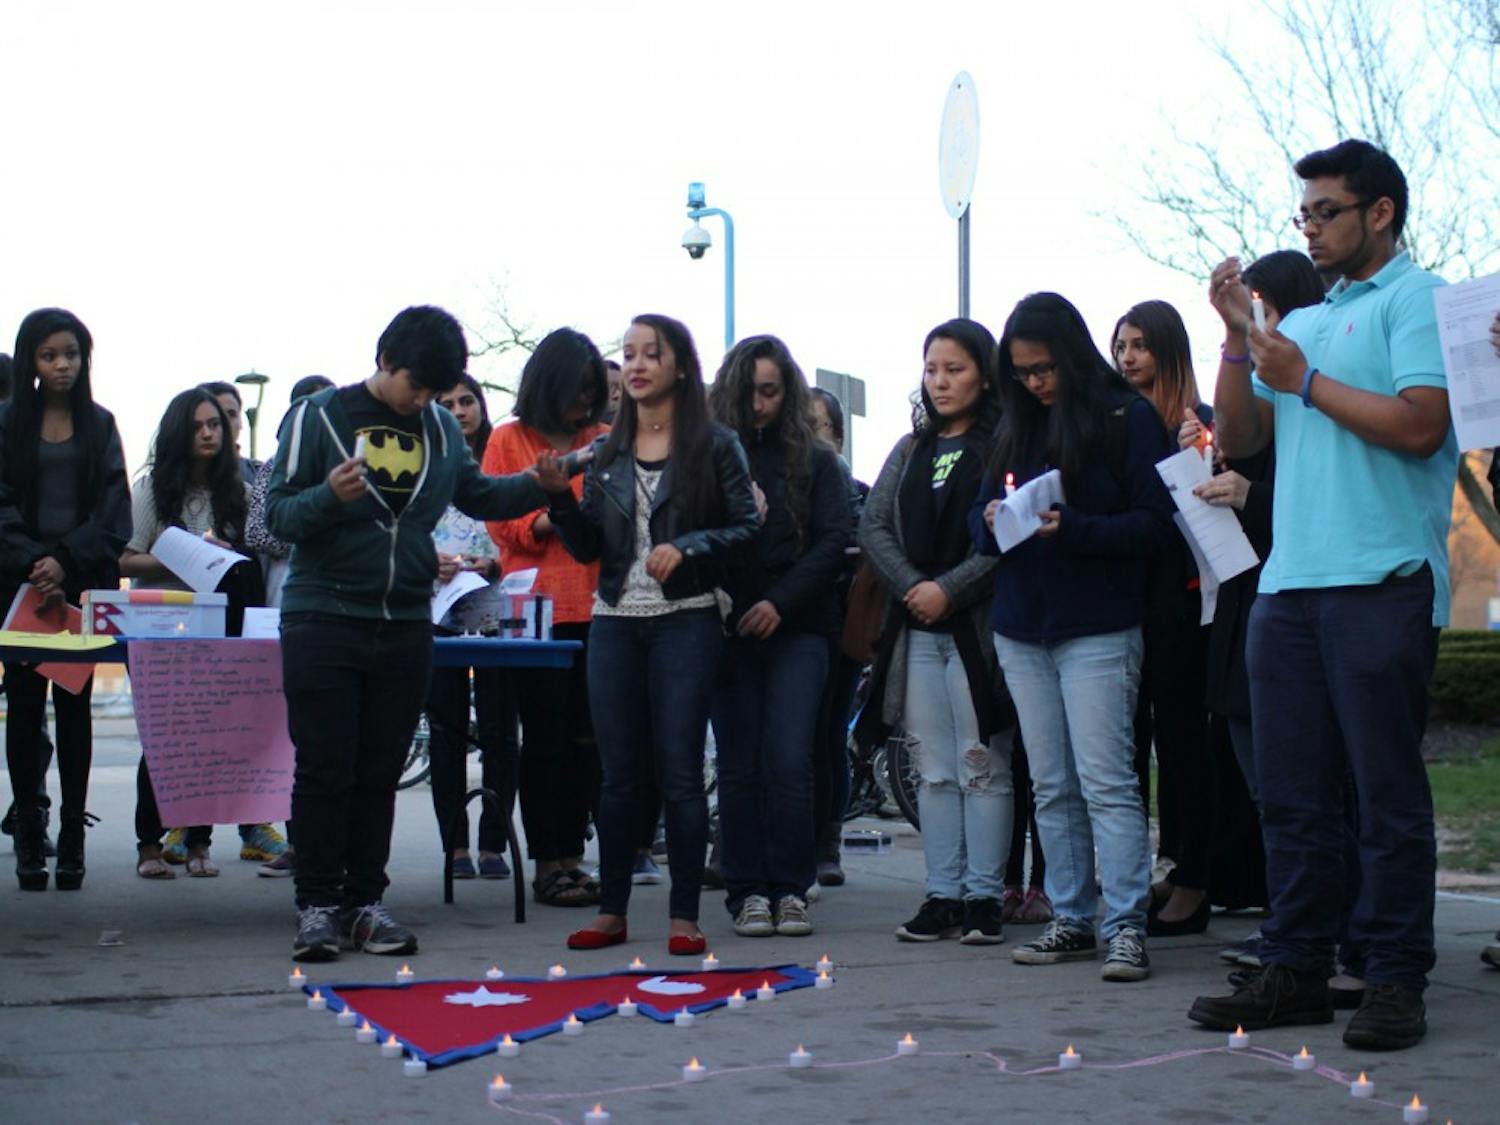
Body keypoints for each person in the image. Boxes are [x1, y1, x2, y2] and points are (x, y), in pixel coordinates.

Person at [1188, 140, 1459, 1051]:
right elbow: (1238, 433)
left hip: (1380, 580)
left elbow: (1423, 427)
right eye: (1302, 214)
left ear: (1380, 212)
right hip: (1290, 587)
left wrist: (1304, 376)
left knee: (1384, 794)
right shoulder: (1305, 320)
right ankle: (1297, 965)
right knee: (1293, 798)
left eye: (1326, 211)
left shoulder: (1417, 300)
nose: (1308, 227)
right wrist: (1235, 340)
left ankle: (1392, 975)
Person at [265, 305, 548, 962]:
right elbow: (278, 514)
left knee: (380, 768)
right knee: (326, 764)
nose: (421, 401)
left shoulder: (441, 428)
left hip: (404, 622)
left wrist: (539, 483)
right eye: (414, 386)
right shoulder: (319, 417)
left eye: (434, 391)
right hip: (323, 614)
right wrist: (325, 498)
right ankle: (316, 906)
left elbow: (480, 495)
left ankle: (365, 902)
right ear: (385, 360)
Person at [538, 313, 758, 957]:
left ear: (680, 367)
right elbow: (585, 544)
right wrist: (557, 500)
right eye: (627, 354)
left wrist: (687, 547)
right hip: (613, 624)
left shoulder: (715, 445)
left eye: (649, 354)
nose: (634, 366)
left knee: (681, 774)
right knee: (617, 778)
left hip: (686, 620)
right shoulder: (605, 450)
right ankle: (612, 911)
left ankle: (684, 915)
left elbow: (748, 529)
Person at [973, 292, 1173, 982]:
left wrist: (1075, 526)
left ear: (1071, 354)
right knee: (1052, 783)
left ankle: (1124, 925)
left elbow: (1155, 525)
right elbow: (979, 521)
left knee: (1107, 779)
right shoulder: (1012, 426)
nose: (1035, 383)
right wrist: (997, 517)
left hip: (1098, 624)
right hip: (1023, 624)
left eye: (1044, 368)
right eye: (1023, 372)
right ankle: (1072, 916)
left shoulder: (1127, 416)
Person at [1184, 249, 1325, 970]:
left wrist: (1247, 493)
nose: (1250, 323)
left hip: (1298, 591)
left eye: (1260, 309)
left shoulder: (1315, 382)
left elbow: (1310, 501)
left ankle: (1321, 926)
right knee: (1263, 782)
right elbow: (1238, 442)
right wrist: (1206, 459)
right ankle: (1293, 920)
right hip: (1243, 600)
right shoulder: (1252, 379)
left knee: (1301, 788)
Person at [859, 318, 1011, 946]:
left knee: (983, 764)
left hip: (978, 627)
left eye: (955, 368)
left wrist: (950, 588)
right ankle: (942, 894)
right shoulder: (910, 447)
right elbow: (873, 526)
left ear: (984, 374)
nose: (941, 381)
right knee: (933, 769)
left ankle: (984, 897)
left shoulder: (1003, 441)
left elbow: (1009, 532)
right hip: (915, 629)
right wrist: (915, 588)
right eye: (932, 369)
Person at [708, 335, 850, 937]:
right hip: (726, 625)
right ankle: (746, 891)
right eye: (750, 393)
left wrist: (778, 603)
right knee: (739, 764)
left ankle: (791, 886)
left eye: (771, 392)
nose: (760, 405)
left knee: (791, 759)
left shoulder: (818, 461)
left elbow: (832, 545)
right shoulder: (708, 458)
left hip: (799, 626)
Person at [0, 310, 131, 890]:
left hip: (79, 589)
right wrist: (34, 561)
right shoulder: (7, 424)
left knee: (75, 706)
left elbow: (114, 513)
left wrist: (65, 560)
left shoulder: (101, 426)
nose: (62, 366)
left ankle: (74, 833)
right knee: (25, 705)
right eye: (51, 355)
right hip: (19, 587)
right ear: (31, 359)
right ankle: (31, 827)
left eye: (72, 355)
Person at [481, 331, 610, 906]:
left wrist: (560, 513)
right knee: (545, 740)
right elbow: (503, 522)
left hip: (599, 608)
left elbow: (610, 524)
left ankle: (572, 858)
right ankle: (545, 862)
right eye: (578, 390)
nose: (585, 403)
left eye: (593, 391)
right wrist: (556, 515)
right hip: (534, 613)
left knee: (589, 741)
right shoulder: (508, 439)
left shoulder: (605, 440)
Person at [121, 387, 258, 878]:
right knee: (161, 739)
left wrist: (224, 551)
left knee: (209, 737)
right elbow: (124, 556)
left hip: (215, 628)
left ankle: (200, 844)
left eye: (216, 425)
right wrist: (178, 554)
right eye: (199, 425)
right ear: (180, 431)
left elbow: (249, 557)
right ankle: (148, 845)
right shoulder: (151, 487)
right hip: (157, 628)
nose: (208, 433)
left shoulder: (236, 490)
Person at [1111, 299, 1216, 936]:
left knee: (1182, 743)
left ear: (1169, 350)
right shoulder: (1116, 422)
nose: (1127, 358)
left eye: (1141, 345)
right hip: (1127, 597)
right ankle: (1166, 868)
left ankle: (1196, 876)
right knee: (1131, 747)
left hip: (1183, 598)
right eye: (1121, 345)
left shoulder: (1197, 422)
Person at [428, 374, 520, 881]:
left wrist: (494, 565)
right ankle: (455, 847)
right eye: (447, 402)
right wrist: (430, 562)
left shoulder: (499, 462)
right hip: (437, 611)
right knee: (446, 732)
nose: (459, 410)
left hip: (494, 610)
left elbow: (518, 536)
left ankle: (494, 844)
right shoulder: (423, 466)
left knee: (501, 729)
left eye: (467, 401)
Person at [809, 385, 866, 887]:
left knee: (827, 736)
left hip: (840, 628)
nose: (808, 438)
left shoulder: (854, 490)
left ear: (839, 439)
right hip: (796, 624)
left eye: (818, 428)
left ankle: (828, 843)